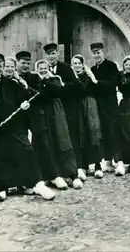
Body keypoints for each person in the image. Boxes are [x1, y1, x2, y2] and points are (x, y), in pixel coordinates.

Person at [0, 53, 55, 202]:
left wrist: (25, 104)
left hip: (14, 128)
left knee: (26, 151)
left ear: (3, 67)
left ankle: (38, 185)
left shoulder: (12, 85)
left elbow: (25, 98)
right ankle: (1, 188)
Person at [28, 59, 80, 190]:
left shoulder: (55, 78)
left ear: (48, 68)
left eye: (45, 68)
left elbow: (57, 90)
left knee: (61, 139)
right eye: (40, 68)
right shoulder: (35, 80)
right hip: (43, 112)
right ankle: (49, 174)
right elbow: (38, 94)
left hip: (56, 111)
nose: (43, 70)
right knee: (46, 142)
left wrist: (44, 80)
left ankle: (70, 173)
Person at [89, 42, 123, 175]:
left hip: (110, 105)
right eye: (94, 53)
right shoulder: (93, 69)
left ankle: (119, 161)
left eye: (98, 52)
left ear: (103, 52)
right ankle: (108, 161)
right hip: (98, 106)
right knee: (103, 134)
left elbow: (112, 84)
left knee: (114, 132)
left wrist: (97, 82)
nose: (96, 55)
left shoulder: (111, 66)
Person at [71, 54, 104, 180]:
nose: (77, 65)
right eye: (75, 63)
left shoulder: (88, 76)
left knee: (93, 133)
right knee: (81, 134)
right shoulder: (72, 77)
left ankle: (97, 165)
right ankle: (84, 165)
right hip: (77, 107)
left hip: (89, 105)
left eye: (79, 63)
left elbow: (84, 89)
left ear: (82, 64)